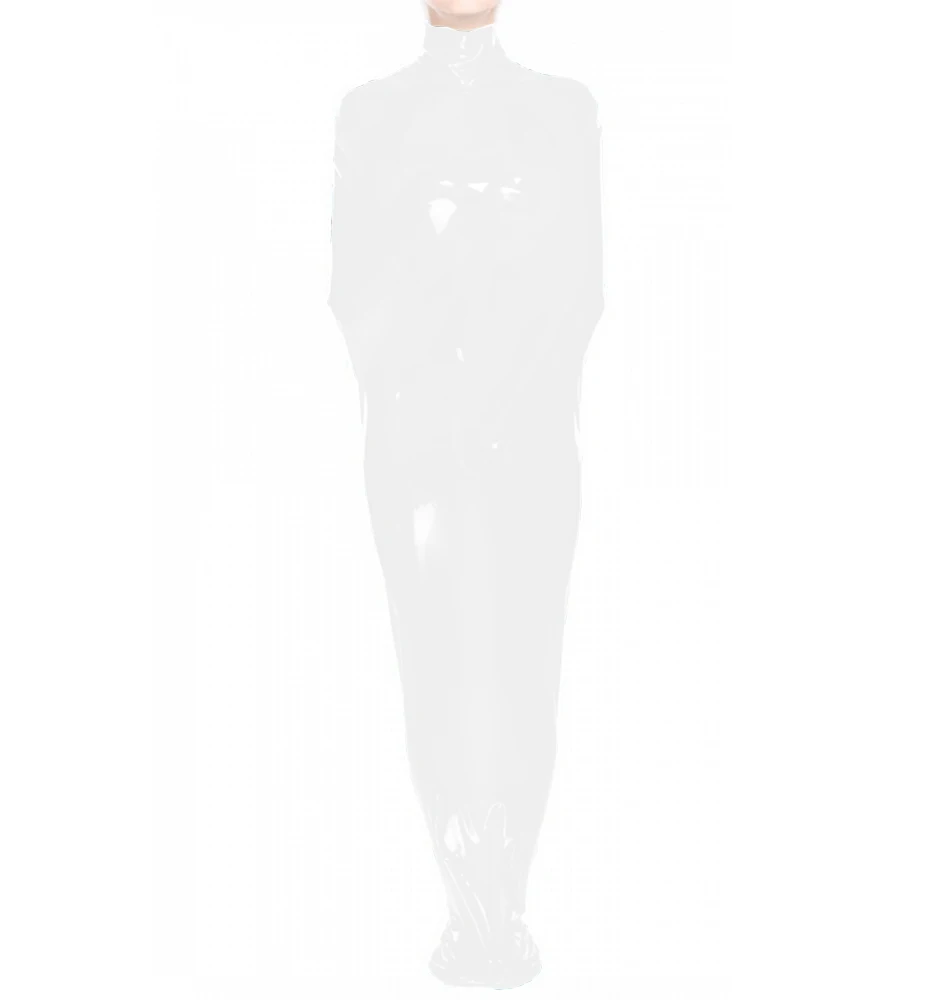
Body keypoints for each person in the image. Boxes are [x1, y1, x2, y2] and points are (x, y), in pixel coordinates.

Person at [328, 0, 603, 986]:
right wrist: (428, 406)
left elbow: (582, 285)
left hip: (528, 439)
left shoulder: (562, 110)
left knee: (525, 662)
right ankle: (469, 906)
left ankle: (502, 904)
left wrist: (507, 404)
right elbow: (353, 288)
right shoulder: (371, 113)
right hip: (416, 445)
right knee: (437, 661)